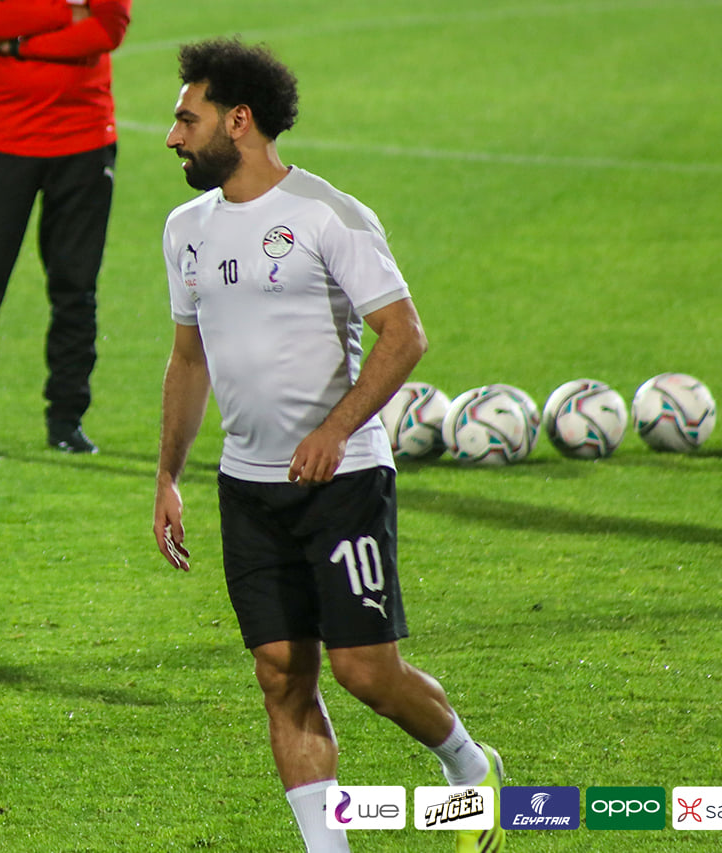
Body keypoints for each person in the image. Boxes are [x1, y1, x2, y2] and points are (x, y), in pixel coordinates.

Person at [152, 38, 506, 853]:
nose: (171, 136)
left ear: (238, 121)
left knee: (364, 670)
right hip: (247, 487)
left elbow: (404, 335)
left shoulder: (327, 215)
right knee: (280, 671)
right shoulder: (185, 230)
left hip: (343, 479)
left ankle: (470, 767)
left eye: (186, 119)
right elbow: (189, 358)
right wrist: (167, 475)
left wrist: (335, 429)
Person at [0, 0, 132, 456]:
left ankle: (66, 422)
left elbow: (108, 28)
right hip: (4, 138)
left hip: (84, 138)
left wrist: (18, 43)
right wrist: (69, 12)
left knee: (75, 286)